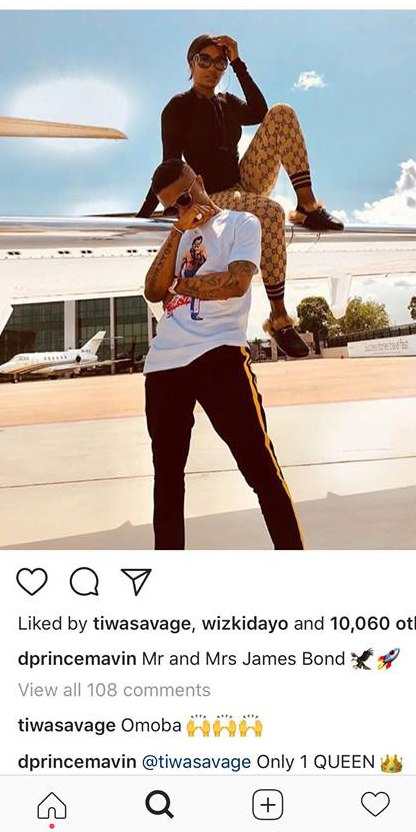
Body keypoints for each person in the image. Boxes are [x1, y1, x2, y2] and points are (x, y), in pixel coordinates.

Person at [137, 33, 344, 358]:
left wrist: (238, 62)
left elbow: (260, 112)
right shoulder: (178, 107)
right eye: (204, 60)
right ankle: (279, 319)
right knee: (271, 212)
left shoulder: (228, 103)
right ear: (191, 63)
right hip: (212, 195)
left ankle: (307, 205)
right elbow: (171, 166)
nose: (212, 68)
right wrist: (148, 212)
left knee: (282, 113)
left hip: (244, 182)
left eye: (219, 62)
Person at [143, 156, 305, 551]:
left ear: (199, 181)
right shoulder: (179, 235)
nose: (182, 209)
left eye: (184, 198)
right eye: (172, 207)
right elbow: (151, 290)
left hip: (219, 354)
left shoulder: (240, 223)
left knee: (261, 469)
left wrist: (179, 285)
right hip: (163, 364)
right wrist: (176, 231)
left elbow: (236, 283)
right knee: (167, 478)